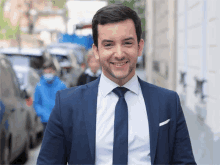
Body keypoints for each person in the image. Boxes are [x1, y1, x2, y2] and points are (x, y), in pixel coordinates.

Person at [37, 4, 196, 165]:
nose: (119, 54)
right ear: (96, 51)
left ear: (139, 47)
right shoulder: (67, 105)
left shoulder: (168, 102)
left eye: (127, 43)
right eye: (108, 44)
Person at [34, 60, 67, 134]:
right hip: (46, 121)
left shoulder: (62, 85)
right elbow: (37, 104)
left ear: (54, 72)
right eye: (46, 72)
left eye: (50, 72)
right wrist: (44, 114)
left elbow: (66, 103)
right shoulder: (39, 86)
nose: (48, 74)